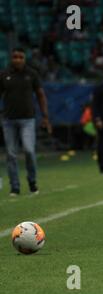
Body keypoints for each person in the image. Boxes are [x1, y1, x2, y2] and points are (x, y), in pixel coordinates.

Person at [0, 48, 52, 196]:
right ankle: (15, 187)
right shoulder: (4, 74)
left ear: (24, 59)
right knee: (11, 154)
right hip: (8, 120)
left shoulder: (32, 74)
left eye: (20, 57)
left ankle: (32, 182)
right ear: (11, 58)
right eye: (15, 57)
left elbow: (41, 95)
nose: (17, 60)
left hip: (28, 119)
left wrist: (45, 116)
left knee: (29, 150)